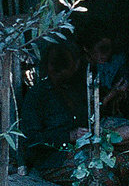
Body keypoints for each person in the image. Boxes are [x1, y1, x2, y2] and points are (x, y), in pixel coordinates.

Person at [19, 42, 87, 178]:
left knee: (123, 163)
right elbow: (32, 139)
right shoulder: (38, 95)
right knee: (103, 175)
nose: (59, 70)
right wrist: (69, 136)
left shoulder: (74, 91)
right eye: (55, 65)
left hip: (79, 153)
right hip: (52, 162)